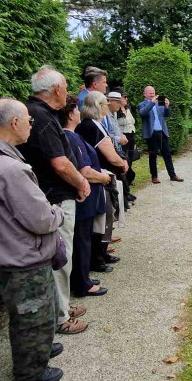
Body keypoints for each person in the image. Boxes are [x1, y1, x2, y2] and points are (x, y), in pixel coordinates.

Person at [0, 98, 68, 381]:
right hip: (21, 254)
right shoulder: (9, 168)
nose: (31, 125)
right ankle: (30, 371)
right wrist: (58, 212)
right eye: (28, 120)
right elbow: (41, 219)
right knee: (31, 314)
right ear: (15, 123)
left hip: (7, 248)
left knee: (35, 309)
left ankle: (41, 348)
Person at [18, 66, 90, 335]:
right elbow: (60, 164)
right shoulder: (43, 117)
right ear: (58, 89)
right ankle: (60, 316)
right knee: (61, 257)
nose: (68, 92)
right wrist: (81, 182)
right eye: (66, 87)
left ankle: (62, 304)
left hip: (49, 196)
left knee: (60, 256)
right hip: (56, 198)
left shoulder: (36, 113)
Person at [58, 94, 112, 295]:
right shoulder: (71, 137)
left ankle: (83, 278)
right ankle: (82, 283)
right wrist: (104, 178)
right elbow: (84, 170)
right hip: (84, 198)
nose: (80, 112)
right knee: (81, 240)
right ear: (71, 115)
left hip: (86, 197)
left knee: (83, 238)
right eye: (76, 110)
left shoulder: (70, 136)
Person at [76, 91, 128, 273]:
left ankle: (102, 254)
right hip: (100, 176)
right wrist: (121, 163)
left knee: (106, 214)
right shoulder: (91, 126)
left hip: (102, 175)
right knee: (103, 217)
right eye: (105, 103)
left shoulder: (92, 124)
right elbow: (109, 152)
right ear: (99, 106)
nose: (108, 106)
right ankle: (97, 258)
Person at [138, 85, 184, 184]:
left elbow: (167, 115)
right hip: (151, 133)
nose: (152, 94)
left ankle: (173, 175)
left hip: (162, 132)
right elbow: (143, 113)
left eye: (153, 92)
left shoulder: (160, 102)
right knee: (153, 154)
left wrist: (167, 106)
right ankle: (154, 176)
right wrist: (152, 102)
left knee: (167, 154)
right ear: (144, 94)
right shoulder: (142, 104)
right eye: (150, 93)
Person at [118, 90, 138, 203]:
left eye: (126, 97)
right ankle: (125, 189)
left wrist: (134, 141)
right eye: (123, 97)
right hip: (122, 138)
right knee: (124, 162)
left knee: (130, 162)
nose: (125, 99)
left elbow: (132, 123)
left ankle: (127, 186)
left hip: (131, 137)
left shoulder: (129, 109)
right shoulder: (116, 112)